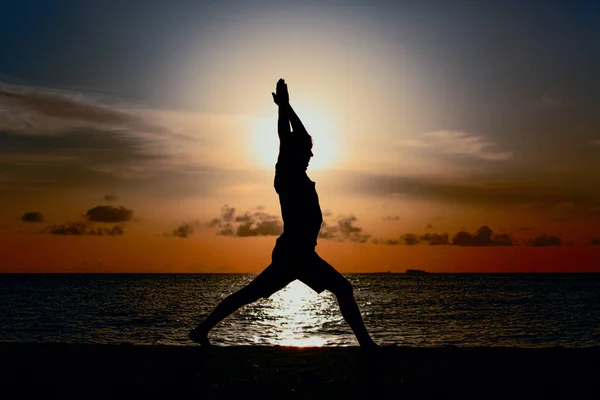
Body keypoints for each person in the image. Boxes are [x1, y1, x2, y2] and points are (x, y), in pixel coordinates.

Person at [189, 79, 376, 349]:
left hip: (298, 252)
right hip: (296, 253)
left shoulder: (297, 172)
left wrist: (288, 107)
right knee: (342, 289)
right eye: (306, 151)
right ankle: (367, 345)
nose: (311, 154)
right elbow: (284, 137)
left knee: (250, 293)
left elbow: (301, 134)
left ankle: (201, 330)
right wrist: (283, 111)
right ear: (294, 153)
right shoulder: (286, 175)